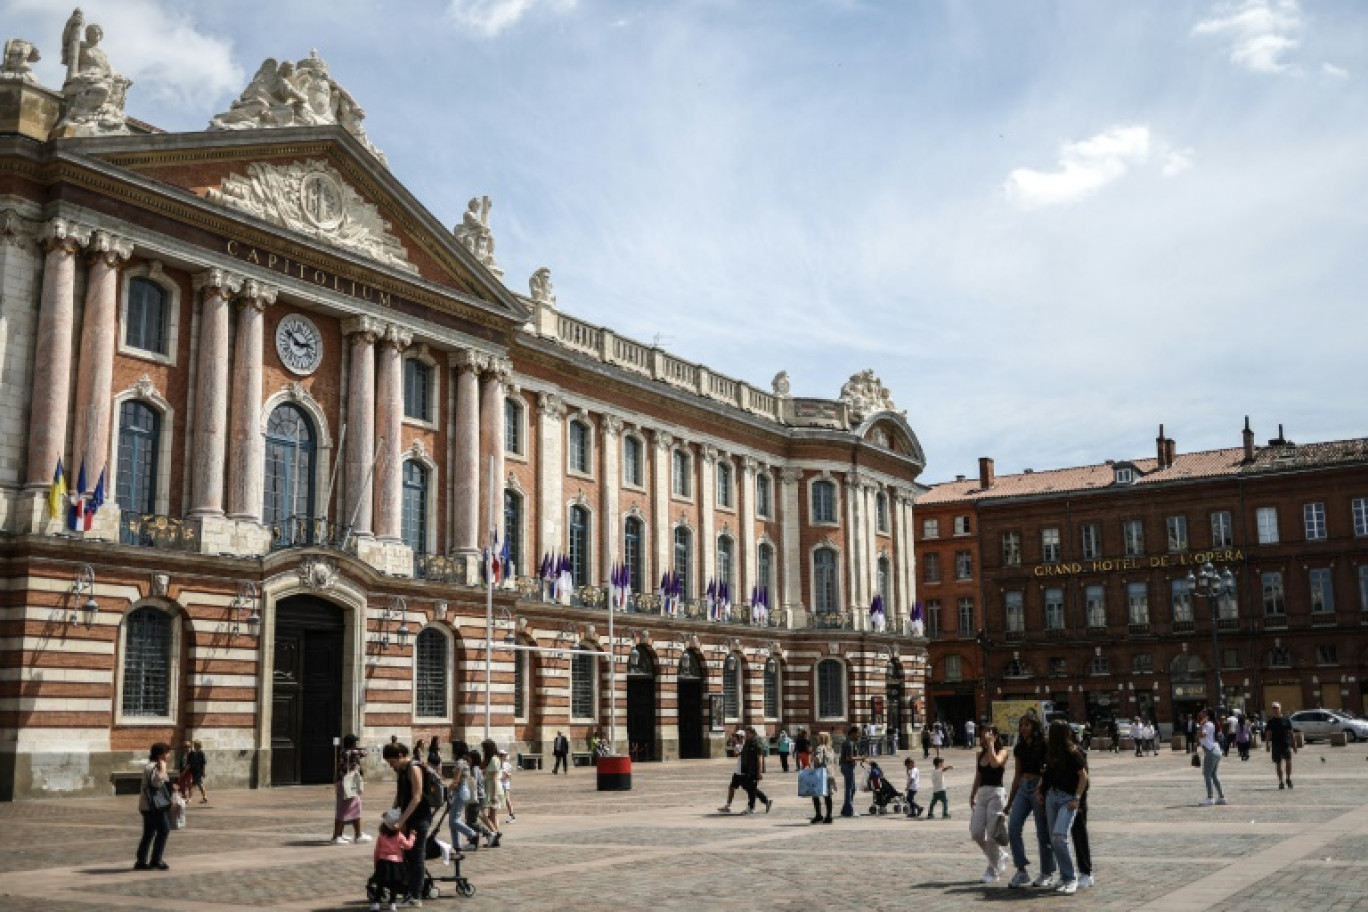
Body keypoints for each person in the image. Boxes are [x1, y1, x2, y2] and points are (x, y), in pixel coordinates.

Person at [1036, 720, 1088, 895]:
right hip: (1052, 796)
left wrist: (1077, 798)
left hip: (1067, 798)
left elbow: (1083, 777)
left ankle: (1071, 877)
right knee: (1054, 838)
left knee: (1059, 835)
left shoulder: (1073, 752)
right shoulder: (1051, 754)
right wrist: (1041, 791)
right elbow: (1048, 775)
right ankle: (1064, 876)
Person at [1006, 713, 1056, 890]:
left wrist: (1041, 789)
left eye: (1026, 725)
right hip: (1023, 787)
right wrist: (1009, 802)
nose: (1023, 728)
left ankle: (1047, 872)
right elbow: (1017, 774)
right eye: (1021, 725)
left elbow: (1047, 770)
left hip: (1038, 788)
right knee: (1013, 827)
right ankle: (1021, 870)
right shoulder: (1019, 748)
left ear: (1034, 727)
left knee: (1043, 833)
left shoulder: (1043, 746)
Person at [383, 741, 433, 906]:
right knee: (406, 855)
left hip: (419, 818)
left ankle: (415, 895)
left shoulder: (414, 768)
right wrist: (392, 814)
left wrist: (402, 820)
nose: (391, 766)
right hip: (408, 817)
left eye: (392, 762)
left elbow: (417, 796)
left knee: (417, 855)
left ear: (400, 756)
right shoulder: (402, 770)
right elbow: (400, 796)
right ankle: (408, 890)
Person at [969, 724, 1010, 883]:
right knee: (977, 832)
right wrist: (973, 794)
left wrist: (992, 745)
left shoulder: (1003, 752)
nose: (985, 736)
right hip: (983, 794)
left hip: (996, 794)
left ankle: (992, 870)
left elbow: (994, 764)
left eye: (988, 733)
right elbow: (978, 775)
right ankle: (1000, 857)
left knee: (992, 833)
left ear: (996, 735)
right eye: (983, 733)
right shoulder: (979, 754)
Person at [135, 742, 172, 871]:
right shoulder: (154, 767)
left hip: (147, 805)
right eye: (167, 753)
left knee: (149, 832)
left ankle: (141, 860)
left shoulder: (151, 766)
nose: (169, 755)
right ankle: (156, 859)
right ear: (160, 754)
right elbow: (156, 784)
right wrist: (163, 769)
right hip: (154, 806)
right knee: (164, 830)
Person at [1066, 725, 1095, 889]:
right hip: (1062, 799)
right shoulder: (1057, 753)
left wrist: (1080, 801)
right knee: (1060, 837)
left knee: (1079, 835)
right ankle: (1067, 873)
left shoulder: (1077, 753)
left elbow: (1086, 780)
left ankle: (1086, 871)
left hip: (1076, 800)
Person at [371, 808, 415, 912]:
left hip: (383, 862)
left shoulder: (381, 836)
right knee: (394, 885)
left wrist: (376, 863)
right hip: (396, 863)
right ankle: (392, 903)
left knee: (380, 884)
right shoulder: (399, 836)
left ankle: (376, 903)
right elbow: (408, 846)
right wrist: (412, 836)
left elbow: (376, 851)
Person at [333, 733, 372, 845]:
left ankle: (349, 834)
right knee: (345, 809)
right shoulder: (351, 752)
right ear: (352, 743)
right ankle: (338, 836)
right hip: (348, 784)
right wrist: (359, 748)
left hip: (343, 783)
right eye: (355, 742)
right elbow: (365, 752)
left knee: (351, 807)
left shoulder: (344, 752)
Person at [1197, 708, 1227, 806]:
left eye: (1203, 712)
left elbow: (1201, 735)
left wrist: (1201, 725)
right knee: (1214, 774)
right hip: (1215, 750)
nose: (1201, 713)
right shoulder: (1210, 724)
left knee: (1207, 774)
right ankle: (1221, 797)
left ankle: (1210, 797)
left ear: (1207, 715)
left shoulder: (1208, 724)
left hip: (1211, 751)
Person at [740, 726, 773, 814]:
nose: (746, 735)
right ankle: (766, 801)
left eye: (747, 733)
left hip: (754, 770)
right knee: (748, 787)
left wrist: (759, 772)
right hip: (747, 769)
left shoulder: (757, 742)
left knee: (751, 788)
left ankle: (751, 807)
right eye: (746, 733)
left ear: (752, 733)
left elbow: (760, 758)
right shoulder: (748, 742)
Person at [1265, 701, 1297, 789]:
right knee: (1278, 764)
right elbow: (1268, 734)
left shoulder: (1286, 720)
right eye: (1273, 708)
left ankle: (1288, 778)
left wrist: (1294, 745)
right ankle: (1281, 781)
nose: (1275, 710)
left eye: (1277, 708)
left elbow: (1291, 733)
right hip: (1276, 745)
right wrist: (1267, 745)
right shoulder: (1271, 722)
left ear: (1280, 708)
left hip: (1286, 744)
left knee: (1288, 762)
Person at [479, 740, 504, 845]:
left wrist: (493, 795)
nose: (483, 750)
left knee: (481, 812)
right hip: (490, 786)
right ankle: (495, 839)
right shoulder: (493, 759)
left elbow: (494, 778)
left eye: (484, 748)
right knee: (493, 814)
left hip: (492, 788)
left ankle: (494, 832)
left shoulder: (494, 759)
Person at [718, 729, 748, 813]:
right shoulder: (738, 746)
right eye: (736, 736)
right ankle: (728, 806)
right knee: (731, 787)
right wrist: (735, 745)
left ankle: (763, 800)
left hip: (744, 771)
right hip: (738, 771)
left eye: (738, 736)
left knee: (749, 789)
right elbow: (735, 754)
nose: (737, 738)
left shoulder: (747, 745)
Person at [810, 730, 836, 824]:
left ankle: (818, 815)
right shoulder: (830, 749)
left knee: (815, 794)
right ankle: (829, 815)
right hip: (829, 773)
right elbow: (834, 761)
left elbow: (818, 759)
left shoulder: (820, 748)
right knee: (828, 796)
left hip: (820, 773)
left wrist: (813, 759)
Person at [839, 725, 864, 817]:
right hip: (847, 766)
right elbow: (849, 758)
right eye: (858, 734)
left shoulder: (850, 741)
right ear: (853, 733)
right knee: (849, 789)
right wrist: (860, 758)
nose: (859, 736)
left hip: (846, 766)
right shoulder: (849, 743)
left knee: (852, 788)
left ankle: (845, 809)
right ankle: (849, 810)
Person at [498, 748, 516, 822]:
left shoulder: (507, 765)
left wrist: (506, 774)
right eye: (502, 755)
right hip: (498, 783)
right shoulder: (497, 764)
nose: (504, 757)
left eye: (505, 755)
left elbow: (509, 776)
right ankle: (491, 815)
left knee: (507, 799)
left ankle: (512, 815)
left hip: (505, 784)